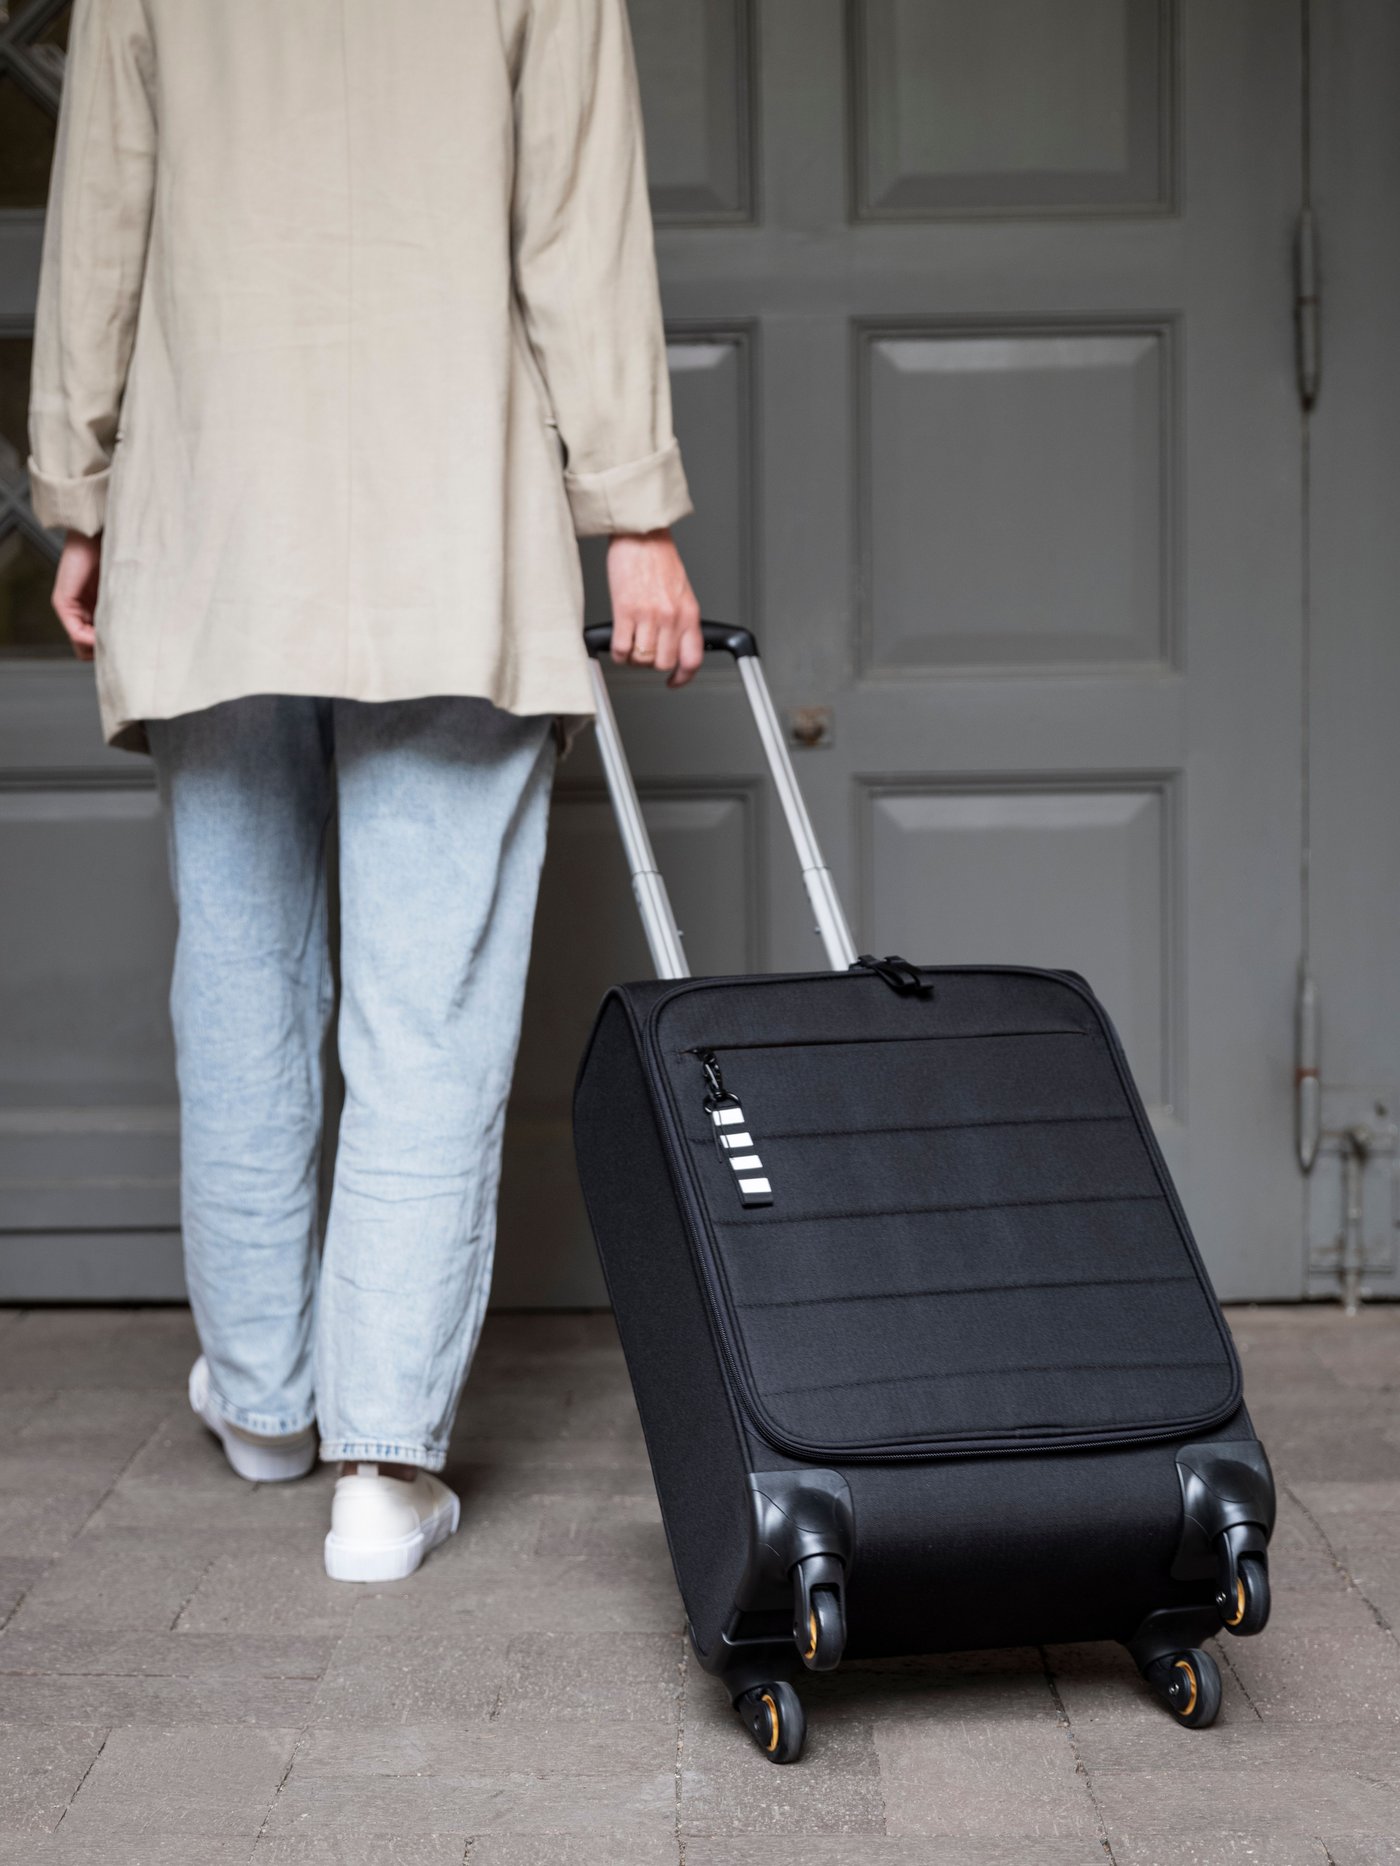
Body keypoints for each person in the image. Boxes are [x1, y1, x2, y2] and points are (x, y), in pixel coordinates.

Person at [27, 0, 702, 1582]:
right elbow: (576, 214)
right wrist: (634, 509)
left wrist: (82, 489)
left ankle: (264, 1402)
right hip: (447, 516)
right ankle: (381, 1470)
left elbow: (101, 208)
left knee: (241, 974)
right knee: (428, 1001)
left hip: (216, 507)